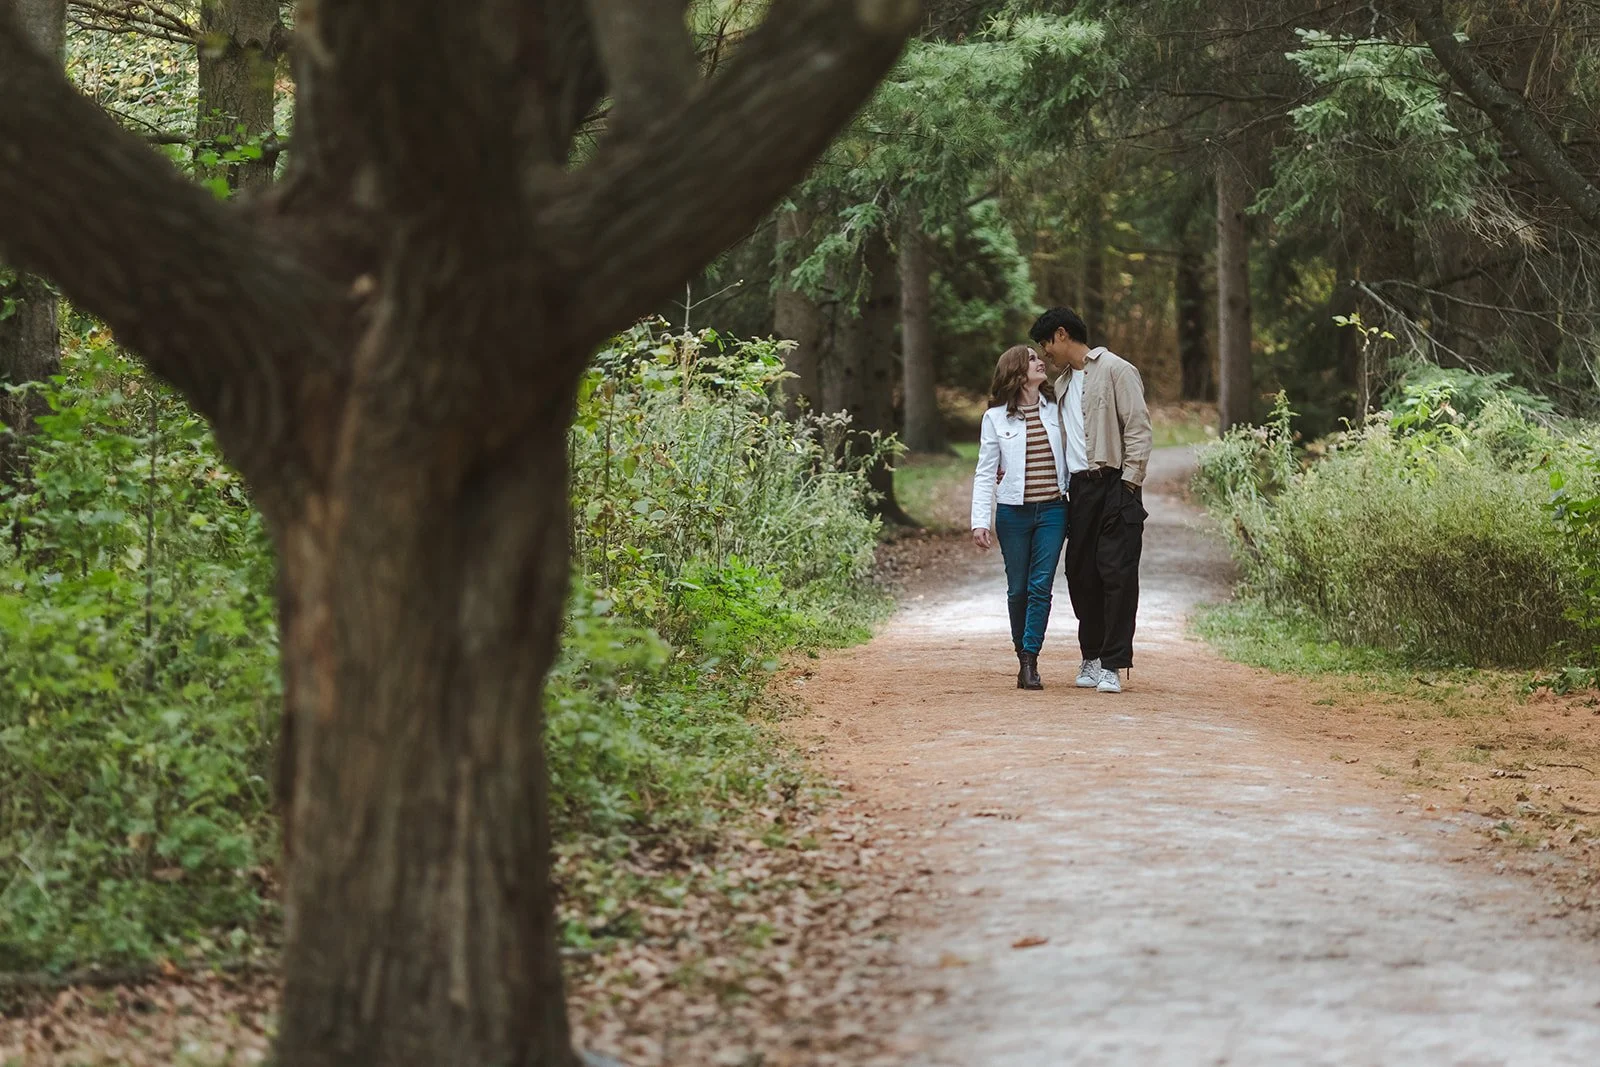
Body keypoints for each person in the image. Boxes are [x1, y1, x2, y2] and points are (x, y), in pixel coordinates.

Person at [1030, 307, 1152, 695]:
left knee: (1116, 573)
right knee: (1081, 574)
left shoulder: (1117, 369)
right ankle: (1092, 655)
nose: (1045, 353)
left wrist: (1130, 485)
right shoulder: (1063, 383)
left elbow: (1138, 428)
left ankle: (1113, 664)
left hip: (1116, 483)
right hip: (1079, 491)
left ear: (1062, 335)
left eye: (1046, 343)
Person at [971, 345, 1069, 690]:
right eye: (1031, 358)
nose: (1040, 361)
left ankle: (1030, 660)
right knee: (1018, 590)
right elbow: (986, 472)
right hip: (1013, 513)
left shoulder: (1058, 410)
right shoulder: (995, 418)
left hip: (1054, 510)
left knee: (1041, 586)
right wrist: (980, 520)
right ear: (1015, 371)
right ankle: (1020, 654)